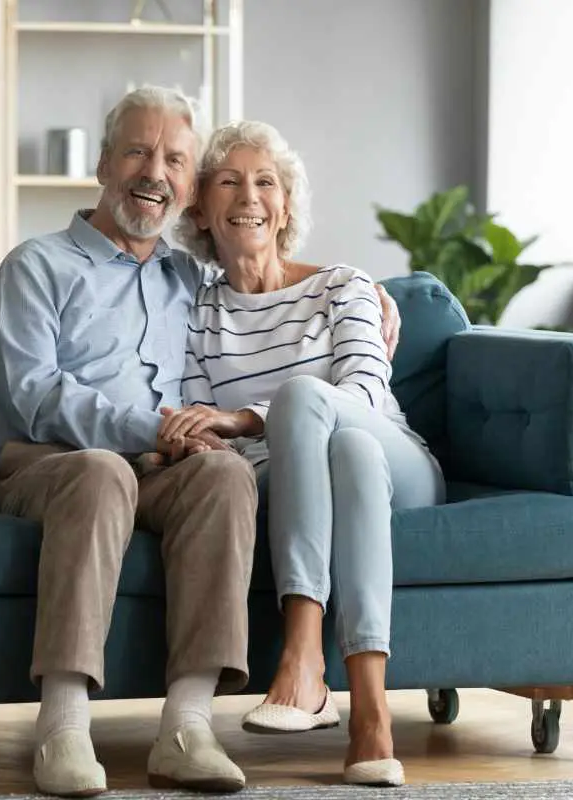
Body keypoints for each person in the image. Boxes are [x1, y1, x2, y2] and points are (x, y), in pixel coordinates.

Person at [0, 86, 400, 797]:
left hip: (159, 467)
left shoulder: (187, 279)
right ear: (105, 164)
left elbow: (263, 270)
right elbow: (33, 397)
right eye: (138, 151)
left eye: (175, 159)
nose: (155, 172)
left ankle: (188, 726)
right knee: (103, 472)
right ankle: (64, 727)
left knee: (226, 475)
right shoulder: (36, 266)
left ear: (186, 190)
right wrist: (152, 431)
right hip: (44, 465)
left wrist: (379, 295)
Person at [160, 120, 446, 788]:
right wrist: (213, 431)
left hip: (399, 462)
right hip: (308, 475)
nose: (248, 195)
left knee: (324, 415)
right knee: (342, 453)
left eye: (266, 181)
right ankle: (371, 717)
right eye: (228, 180)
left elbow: (367, 394)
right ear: (200, 208)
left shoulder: (342, 285)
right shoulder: (198, 313)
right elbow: (206, 434)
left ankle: (302, 656)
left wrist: (248, 416)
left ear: (287, 205)